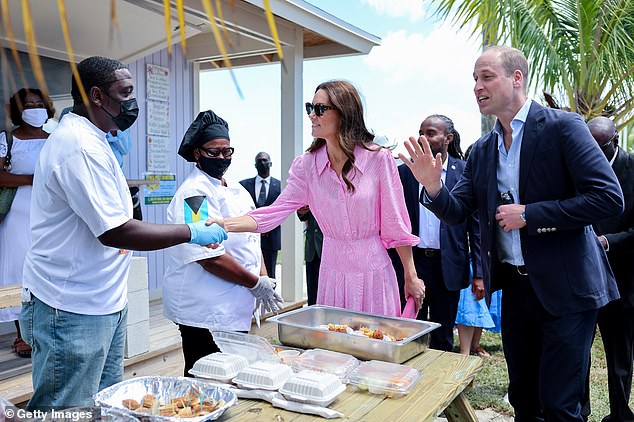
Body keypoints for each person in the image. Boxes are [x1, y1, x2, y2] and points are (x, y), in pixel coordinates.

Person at [400, 45, 623, 421]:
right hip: (517, 291)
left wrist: (531, 215)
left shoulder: (563, 127)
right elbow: (458, 212)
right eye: (474, 78)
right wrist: (434, 188)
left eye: (486, 77)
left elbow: (607, 198)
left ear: (516, 78)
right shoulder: (483, 149)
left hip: (568, 289)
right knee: (523, 399)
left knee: (560, 405)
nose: (477, 86)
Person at [18, 56, 227, 410]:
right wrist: (191, 231)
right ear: (97, 96)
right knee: (67, 412)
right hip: (70, 307)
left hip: (103, 301)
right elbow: (116, 230)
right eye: (126, 92)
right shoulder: (79, 146)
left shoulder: (98, 139)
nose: (133, 102)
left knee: (102, 407)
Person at [210, 80, 426, 317]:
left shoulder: (379, 159)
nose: (312, 115)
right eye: (309, 108)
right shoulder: (307, 166)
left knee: (376, 344)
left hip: (374, 272)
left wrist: (411, 275)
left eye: (320, 109)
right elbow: (273, 213)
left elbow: (395, 224)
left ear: (344, 113)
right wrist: (225, 225)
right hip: (331, 272)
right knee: (335, 348)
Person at [163, 110, 282, 377]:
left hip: (234, 304)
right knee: (206, 379)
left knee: (233, 375)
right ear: (197, 154)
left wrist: (263, 276)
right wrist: (254, 283)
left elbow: (254, 236)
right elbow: (209, 257)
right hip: (205, 310)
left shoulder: (238, 189)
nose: (222, 158)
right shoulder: (194, 194)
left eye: (227, 152)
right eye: (213, 152)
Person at [389, 115, 481, 352]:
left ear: (448, 138)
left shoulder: (463, 172)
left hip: (448, 265)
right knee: (408, 330)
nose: (424, 138)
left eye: (431, 133)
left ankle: (441, 384)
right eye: (421, 132)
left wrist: (479, 273)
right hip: (412, 263)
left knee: (443, 335)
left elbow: (476, 225)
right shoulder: (405, 173)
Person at [0, 88, 55, 358]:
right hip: (17, 214)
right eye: (28, 104)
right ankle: (21, 335)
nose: (34, 108)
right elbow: (0, 177)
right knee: (15, 273)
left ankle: (44, 330)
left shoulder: (56, 137)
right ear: (17, 109)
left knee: (47, 270)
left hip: (50, 214)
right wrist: (32, 179)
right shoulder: (7, 139)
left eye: (38, 103)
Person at [586, 116, 634, 422]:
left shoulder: (633, 168)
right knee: (578, 352)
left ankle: (619, 414)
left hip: (623, 276)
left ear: (614, 141)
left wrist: (607, 241)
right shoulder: (578, 164)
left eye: (598, 148)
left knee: (619, 354)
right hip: (582, 276)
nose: (591, 153)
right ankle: (579, 412)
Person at [240, 152, 281, 278]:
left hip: (271, 238)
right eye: (259, 161)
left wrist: (267, 227)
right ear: (255, 165)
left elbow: (280, 211)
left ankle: (270, 298)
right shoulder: (243, 186)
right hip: (249, 236)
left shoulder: (280, 186)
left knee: (270, 274)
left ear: (271, 163)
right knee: (250, 273)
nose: (262, 163)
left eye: (264, 160)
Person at [297, 205, 323, 305]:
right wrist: (301, 212)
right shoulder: (310, 189)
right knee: (312, 292)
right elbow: (303, 217)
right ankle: (313, 319)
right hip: (311, 248)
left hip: (327, 248)